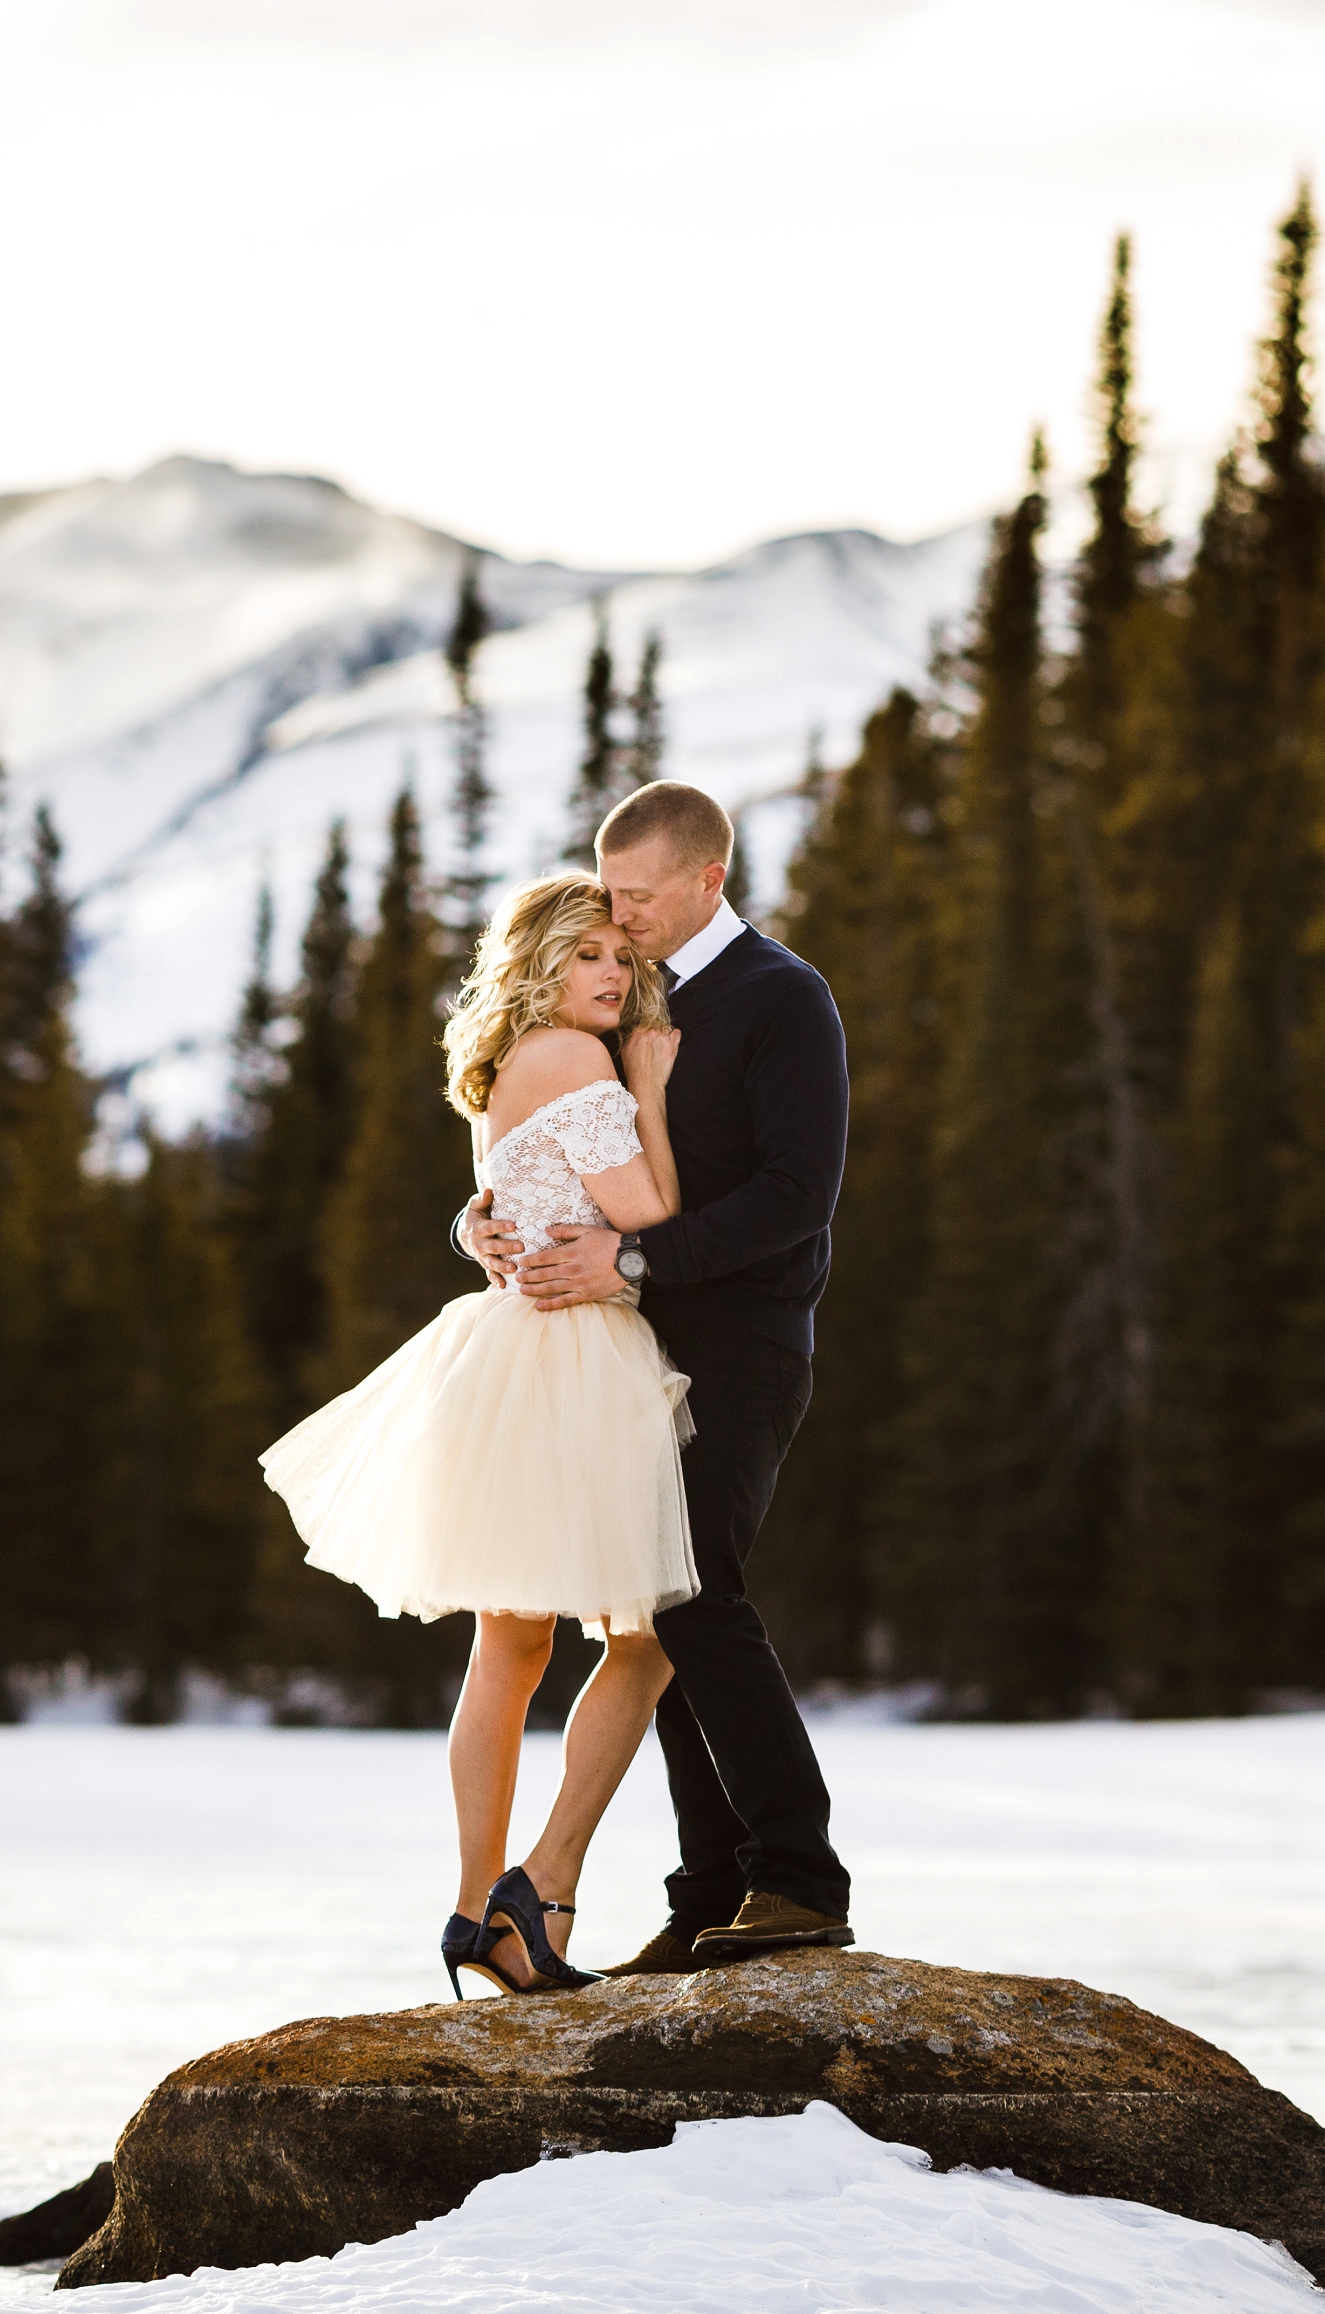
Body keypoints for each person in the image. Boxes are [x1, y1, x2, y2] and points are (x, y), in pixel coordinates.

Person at [260, 872, 698, 1997]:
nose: (614, 972)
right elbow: (648, 1209)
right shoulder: (581, 1058)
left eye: (620, 955)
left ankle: (473, 1911)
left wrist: (472, 1226)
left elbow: (505, 1202)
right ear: (544, 962)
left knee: (509, 1648)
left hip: (516, 1348)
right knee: (644, 1637)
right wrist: (648, 1083)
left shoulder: (510, 1060)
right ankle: (536, 1889)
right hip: (574, 1354)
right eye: (589, 953)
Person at [462, 780, 854, 1973]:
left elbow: (796, 1201)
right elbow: (549, 1148)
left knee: (694, 1594)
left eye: (636, 898)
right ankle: (710, 1893)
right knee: (651, 1605)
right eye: (607, 897)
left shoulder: (782, 999)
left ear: (705, 881)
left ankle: (797, 1875)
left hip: (739, 1342)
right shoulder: (618, 995)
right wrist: (480, 1225)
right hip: (626, 1350)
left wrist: (632, 1252)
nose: (619, 921)